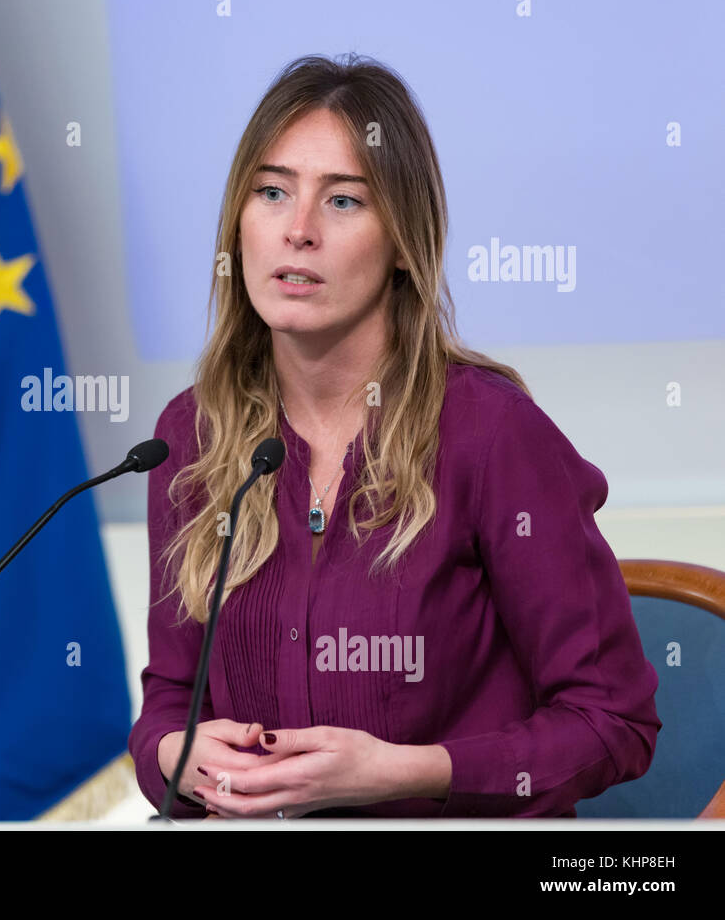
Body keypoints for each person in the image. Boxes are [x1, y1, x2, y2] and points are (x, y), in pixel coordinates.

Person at [128, 54, 660, 818]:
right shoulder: (192, 435)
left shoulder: (491, 433)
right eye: (272, 192)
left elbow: (613, 723)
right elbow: (169, 705)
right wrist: (176, 755)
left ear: (405, 241)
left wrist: (407, 772)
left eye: (343, 202)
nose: (299, 230)